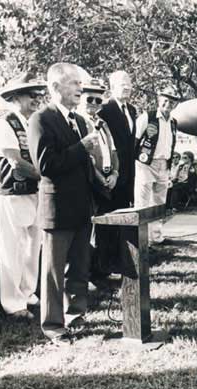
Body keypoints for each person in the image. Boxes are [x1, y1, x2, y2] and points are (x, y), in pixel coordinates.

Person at [28, 62, 102, 344]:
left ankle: (77, 315)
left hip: (82, 208)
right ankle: (54, 325)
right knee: (54, 272)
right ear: (55, 87)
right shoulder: (41, 119)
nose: (80, 90)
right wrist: (81, 147)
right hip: (57, 209)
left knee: (79, 267)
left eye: (80, 85)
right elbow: (46, 165)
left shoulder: (80, 120)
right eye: (74, 84)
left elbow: (83, 166)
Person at [0, 73, 46, 320]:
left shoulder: (33, 123)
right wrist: (46, 177)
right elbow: (15, 161)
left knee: (34, 244)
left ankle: (28, 291)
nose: (37, 98)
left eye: (38, 94)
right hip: (13, 191)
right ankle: (13, 303)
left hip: (35, 191)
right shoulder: (4, 124)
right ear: (15, 98)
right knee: (13, 247)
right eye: (30, 94)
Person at [93, 71, 138, 286]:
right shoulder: (105, 111)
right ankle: (104, 266)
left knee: (123, 221)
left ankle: (121, 263)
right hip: (111, 176)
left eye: (129, 83)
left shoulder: (132, 110)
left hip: (128, 176)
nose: (127, 87)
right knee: (106, 223)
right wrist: (110, 174)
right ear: (111, 87)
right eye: (122, 84)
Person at [77, 77, 120, 292]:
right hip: (89, 183)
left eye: (98, 100)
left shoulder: (102, 124)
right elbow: (85, 157)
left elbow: (113, 151)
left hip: (105, 181)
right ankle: (84, 275)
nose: (94, 104)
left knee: (101, 230)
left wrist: (115, 172)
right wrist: (98, 177)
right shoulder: (78, 122)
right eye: (89, 99)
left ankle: (99, 271)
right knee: (86, 231)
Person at [134, 86, 180, 244]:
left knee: (159, 202)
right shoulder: (147, 117)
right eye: (165, 100)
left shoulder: (173, 122)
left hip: (163, 165)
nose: (168, 104)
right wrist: (136, 162)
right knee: (142, 202)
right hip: (146, 164)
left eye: (172, 102)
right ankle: (142, 240)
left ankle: (156, 237)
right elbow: (134, 140)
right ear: (159, 100)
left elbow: (170, 144)